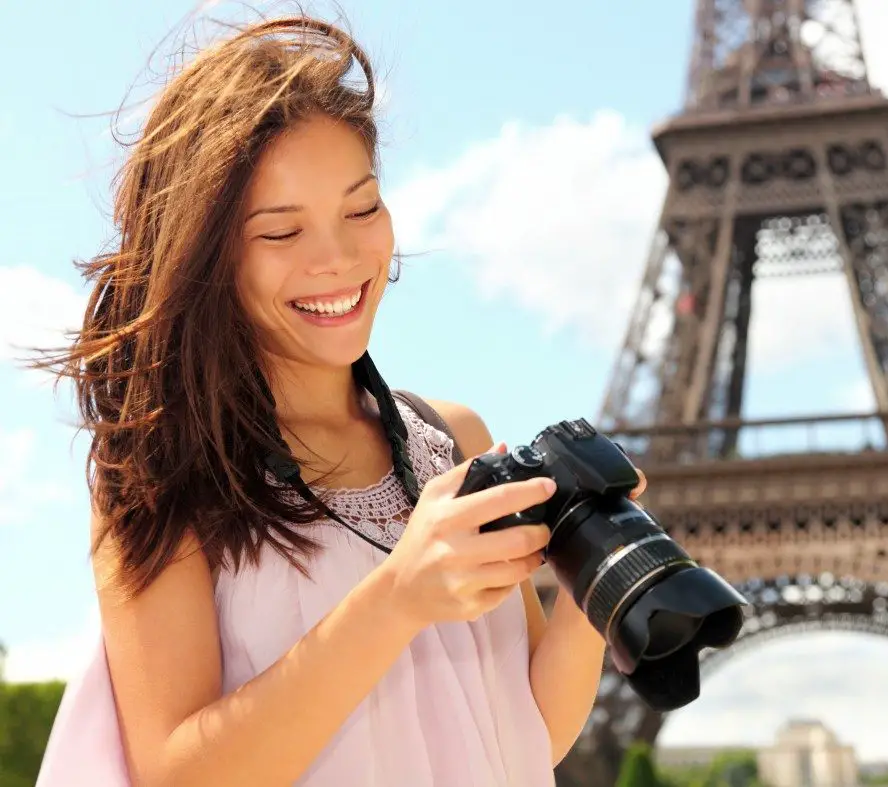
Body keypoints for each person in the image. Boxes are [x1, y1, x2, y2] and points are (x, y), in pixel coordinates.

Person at [34, 12, 647, 787]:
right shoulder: (159, 472)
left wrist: (604, 569)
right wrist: (397, 598)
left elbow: (522, 731)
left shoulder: (453, 440)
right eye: (281, 233)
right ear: (205, 254)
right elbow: (177, 774)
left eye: (362, 208)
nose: (338, 258)